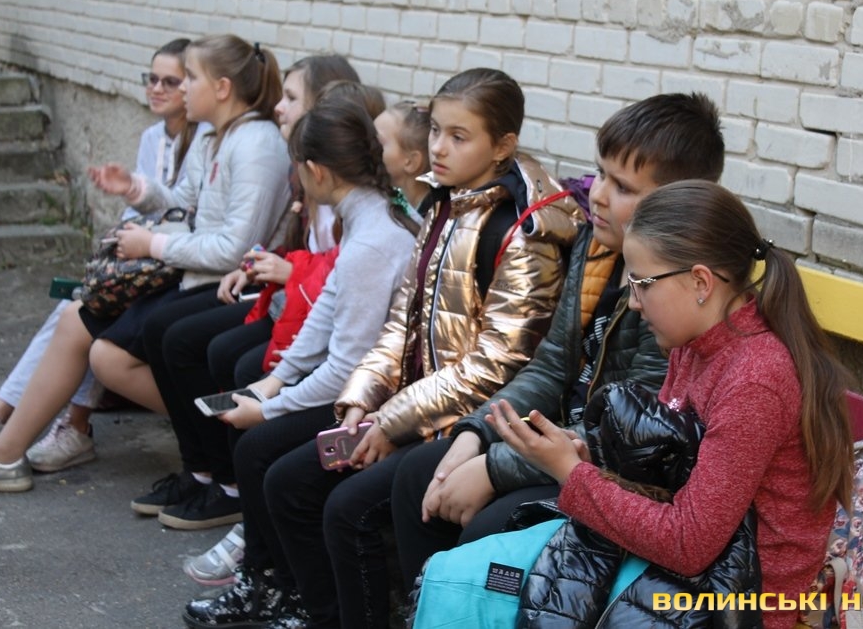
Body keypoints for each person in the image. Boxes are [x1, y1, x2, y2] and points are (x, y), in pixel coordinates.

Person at [185, 67, 584, 629]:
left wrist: (392, 422)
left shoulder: (522, 232)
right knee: (287, 477)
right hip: (415, 411)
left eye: (459, 136)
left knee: (346, 511)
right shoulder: (446, 203)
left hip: (468, 424)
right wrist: (360, 398)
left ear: (503, 145)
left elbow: (497, 364)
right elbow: (401, 322)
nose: (438, 148)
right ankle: (311, 611)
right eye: (436, 131)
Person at [390, 93, 727, 588]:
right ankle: (431, 604)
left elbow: (630, 437)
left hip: (610, 469)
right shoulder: (597, 245)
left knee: (490, 530)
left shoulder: (672, 296)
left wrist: (495, 468)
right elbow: (550, 366)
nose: (599, 196)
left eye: (623, 186)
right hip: (559, 442)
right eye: (601, 173)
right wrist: (478, 431)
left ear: (678, 203)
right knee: (419, 472)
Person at [486, 179, 855, 629]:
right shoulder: (695, 343)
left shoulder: (755, 379)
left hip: (741, 604)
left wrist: (573, 475)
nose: (633, 303)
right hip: (695, 575)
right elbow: (670, 480)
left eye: (641, 284)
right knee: (497, 562)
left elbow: (687, 543)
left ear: (700, 281)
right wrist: (587, 464)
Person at [0, 34, 290, 494]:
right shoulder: (214, 137)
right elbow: (183, 203)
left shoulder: (256, 143)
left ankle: (214, 449)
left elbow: (233, 249)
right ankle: (5, 455)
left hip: (224, 286)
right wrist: (136, 189)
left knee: (113, 347)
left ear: (222, 88)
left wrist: (152, 244)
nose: (181, 88)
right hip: (195, 276)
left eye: (189, 78)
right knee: (77, 318)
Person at [181, 97, 420, 629]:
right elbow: (328, 307)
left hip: (378, 410)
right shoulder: (370, 215)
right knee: (255, 441)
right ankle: (268, 583)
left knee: (275, 465)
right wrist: (276, 380)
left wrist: (269, 409)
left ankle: (305, 604)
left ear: (316, 171)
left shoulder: (374, 239)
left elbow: (346, 370)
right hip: (365, 394)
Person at [126, 56, 367, 529]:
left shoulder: (344, 198)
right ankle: (207, 475)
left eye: (292, 98)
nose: (279, 107)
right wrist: (264, 263)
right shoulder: (299, 173)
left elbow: (334, 277)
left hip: (308, 322)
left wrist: (283, 270)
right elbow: (308, 258)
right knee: (170, 333)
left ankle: (233, 490)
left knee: (219, 355)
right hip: (290, 307)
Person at [0, 38, 203, 470]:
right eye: (151, 78)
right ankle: (13, 418)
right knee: (77, 303)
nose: (157, 88)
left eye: (170, 81)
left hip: (176, 266)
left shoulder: (206, 139)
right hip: (148, 261)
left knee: (90, 307)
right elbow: (139, 211)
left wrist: (143, 238)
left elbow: (189, 216)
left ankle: (57, 425)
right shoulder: (153, 137)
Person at [374, 100, 432, 217]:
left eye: (377, 142)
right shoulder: (379, 197)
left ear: (411, 162)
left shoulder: (434, 220)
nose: (366, 146)